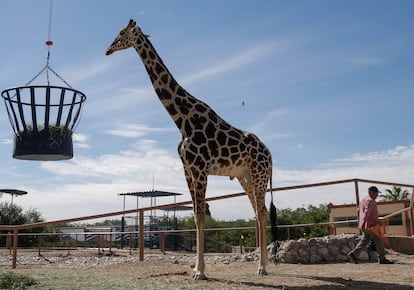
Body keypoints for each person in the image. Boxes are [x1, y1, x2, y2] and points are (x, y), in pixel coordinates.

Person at [347, 186, 394, 264]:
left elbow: (358, 210)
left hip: (365, 224)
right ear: (371, 193)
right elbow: (366, 212)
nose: (377, 195)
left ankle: (353, 254)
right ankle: (382, 259)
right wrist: (365, 223)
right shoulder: (370, 201)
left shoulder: (363, 200)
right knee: (379, 240)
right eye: (376, 193)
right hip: (370, 225)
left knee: (365, 240)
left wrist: (362, 223)